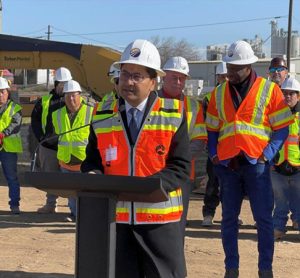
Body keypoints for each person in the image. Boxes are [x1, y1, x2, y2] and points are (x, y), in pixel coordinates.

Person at [81, 39, 191, 278]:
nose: (128, 82)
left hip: (160, 225)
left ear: (153, 82)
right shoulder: (101, 115)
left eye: (137, 76)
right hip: (117, 224)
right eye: (125, 74)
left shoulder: (173, 114)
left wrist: (149, 187)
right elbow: (91, 161)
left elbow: (180, 167)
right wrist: (92, 175)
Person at [206, 40, 293, 278]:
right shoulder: (219, 92)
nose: (230, 72)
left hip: (257, 166)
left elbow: (282, 128)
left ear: (248, 66)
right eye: (229, 67)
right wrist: (214, 154)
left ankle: (266, 270)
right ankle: (230, 269)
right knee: (228, 221)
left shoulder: (269, 90)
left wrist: (267, 155)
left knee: (264, 221)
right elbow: (212, 128)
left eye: (235, 68)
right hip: (227, 166)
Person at [158, 56, 207, 237]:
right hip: (152, 171)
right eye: (174, 77)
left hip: (182, 174)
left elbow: (199, 140)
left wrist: (178, 160)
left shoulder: (193, 106)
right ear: (164, 77)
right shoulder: (150, 101)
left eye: (182, 78)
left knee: (178, 225)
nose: (178, 82)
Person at [31, 67, 72, 213]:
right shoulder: (44, 101)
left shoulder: (72, 99)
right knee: (51, 177)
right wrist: (41, 138)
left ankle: (72, 207)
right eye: (61, 84)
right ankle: (50, 205)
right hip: (48, 146)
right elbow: (35, 121)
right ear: (55, 84)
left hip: (68, 146)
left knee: (70, 178)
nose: (63, 86)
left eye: (66, 83)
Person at [52, 80, 93, 222]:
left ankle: (84, 216)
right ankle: (74, 215)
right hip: (65, 159)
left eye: (73, 95)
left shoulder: (90, 112)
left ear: (79, 95)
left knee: (85, 192)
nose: (70, 99)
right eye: (67, 95)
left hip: (83, 160)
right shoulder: (57, 114)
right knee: (71, 192)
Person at [271, 77, 300, 239]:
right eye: (285, 93)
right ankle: (278, 228)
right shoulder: (276, 115)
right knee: (280, 201)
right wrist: (270, 162)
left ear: (298, 96)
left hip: (297, 166)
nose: (288, 96)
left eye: (292, 93)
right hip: (278, 166)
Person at [201, 61, 227, 226]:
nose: (224, 79)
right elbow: (206, 124)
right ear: (217, 77)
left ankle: (230, 214)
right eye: (221, 76)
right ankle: (208, 214)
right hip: (214, 147)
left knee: (230, 185)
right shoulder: (209, 98)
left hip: (230, 148)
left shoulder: (235, 96)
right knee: (213, 182)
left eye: (226, 76)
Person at [0, 77, 23, 214]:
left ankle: (14, 205)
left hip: (8, 149)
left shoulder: (15, 108)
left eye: (2, 91)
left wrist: (3, 134)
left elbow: (16, 124)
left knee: (12, 177)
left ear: (7, 92)